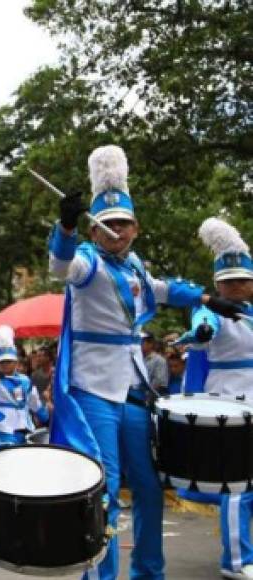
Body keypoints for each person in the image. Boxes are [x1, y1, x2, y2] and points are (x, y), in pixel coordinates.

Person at [47, 145, 243, 580]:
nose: (117, 231)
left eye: (125, 224)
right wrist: (64, 225)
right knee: (104, 489)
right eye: (108, 224)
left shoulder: (134, 267)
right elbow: (60, 266)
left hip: (132, 391)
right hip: (93, 389)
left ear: (135, 228)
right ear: (94, 229)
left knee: (150, 489)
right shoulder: (88, 265)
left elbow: (162, 289)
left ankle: (148, 573)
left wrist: (209, 299)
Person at [180, 217, 253, 579]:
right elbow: (200, 330)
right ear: (217, 285)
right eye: (227, 282)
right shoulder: (215, 311)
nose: (235, 287)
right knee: (238, 486)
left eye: (242, 280)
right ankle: (236, 561)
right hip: (231, 402)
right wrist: (202, 330)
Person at [0, 325, 49, 445]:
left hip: (25, 430)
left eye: (9, 361)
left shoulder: (25, 381)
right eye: (2, 362)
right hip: (2, 431)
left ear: (16, 362)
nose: (5, 365)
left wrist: (45, 417)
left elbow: (34, 401)